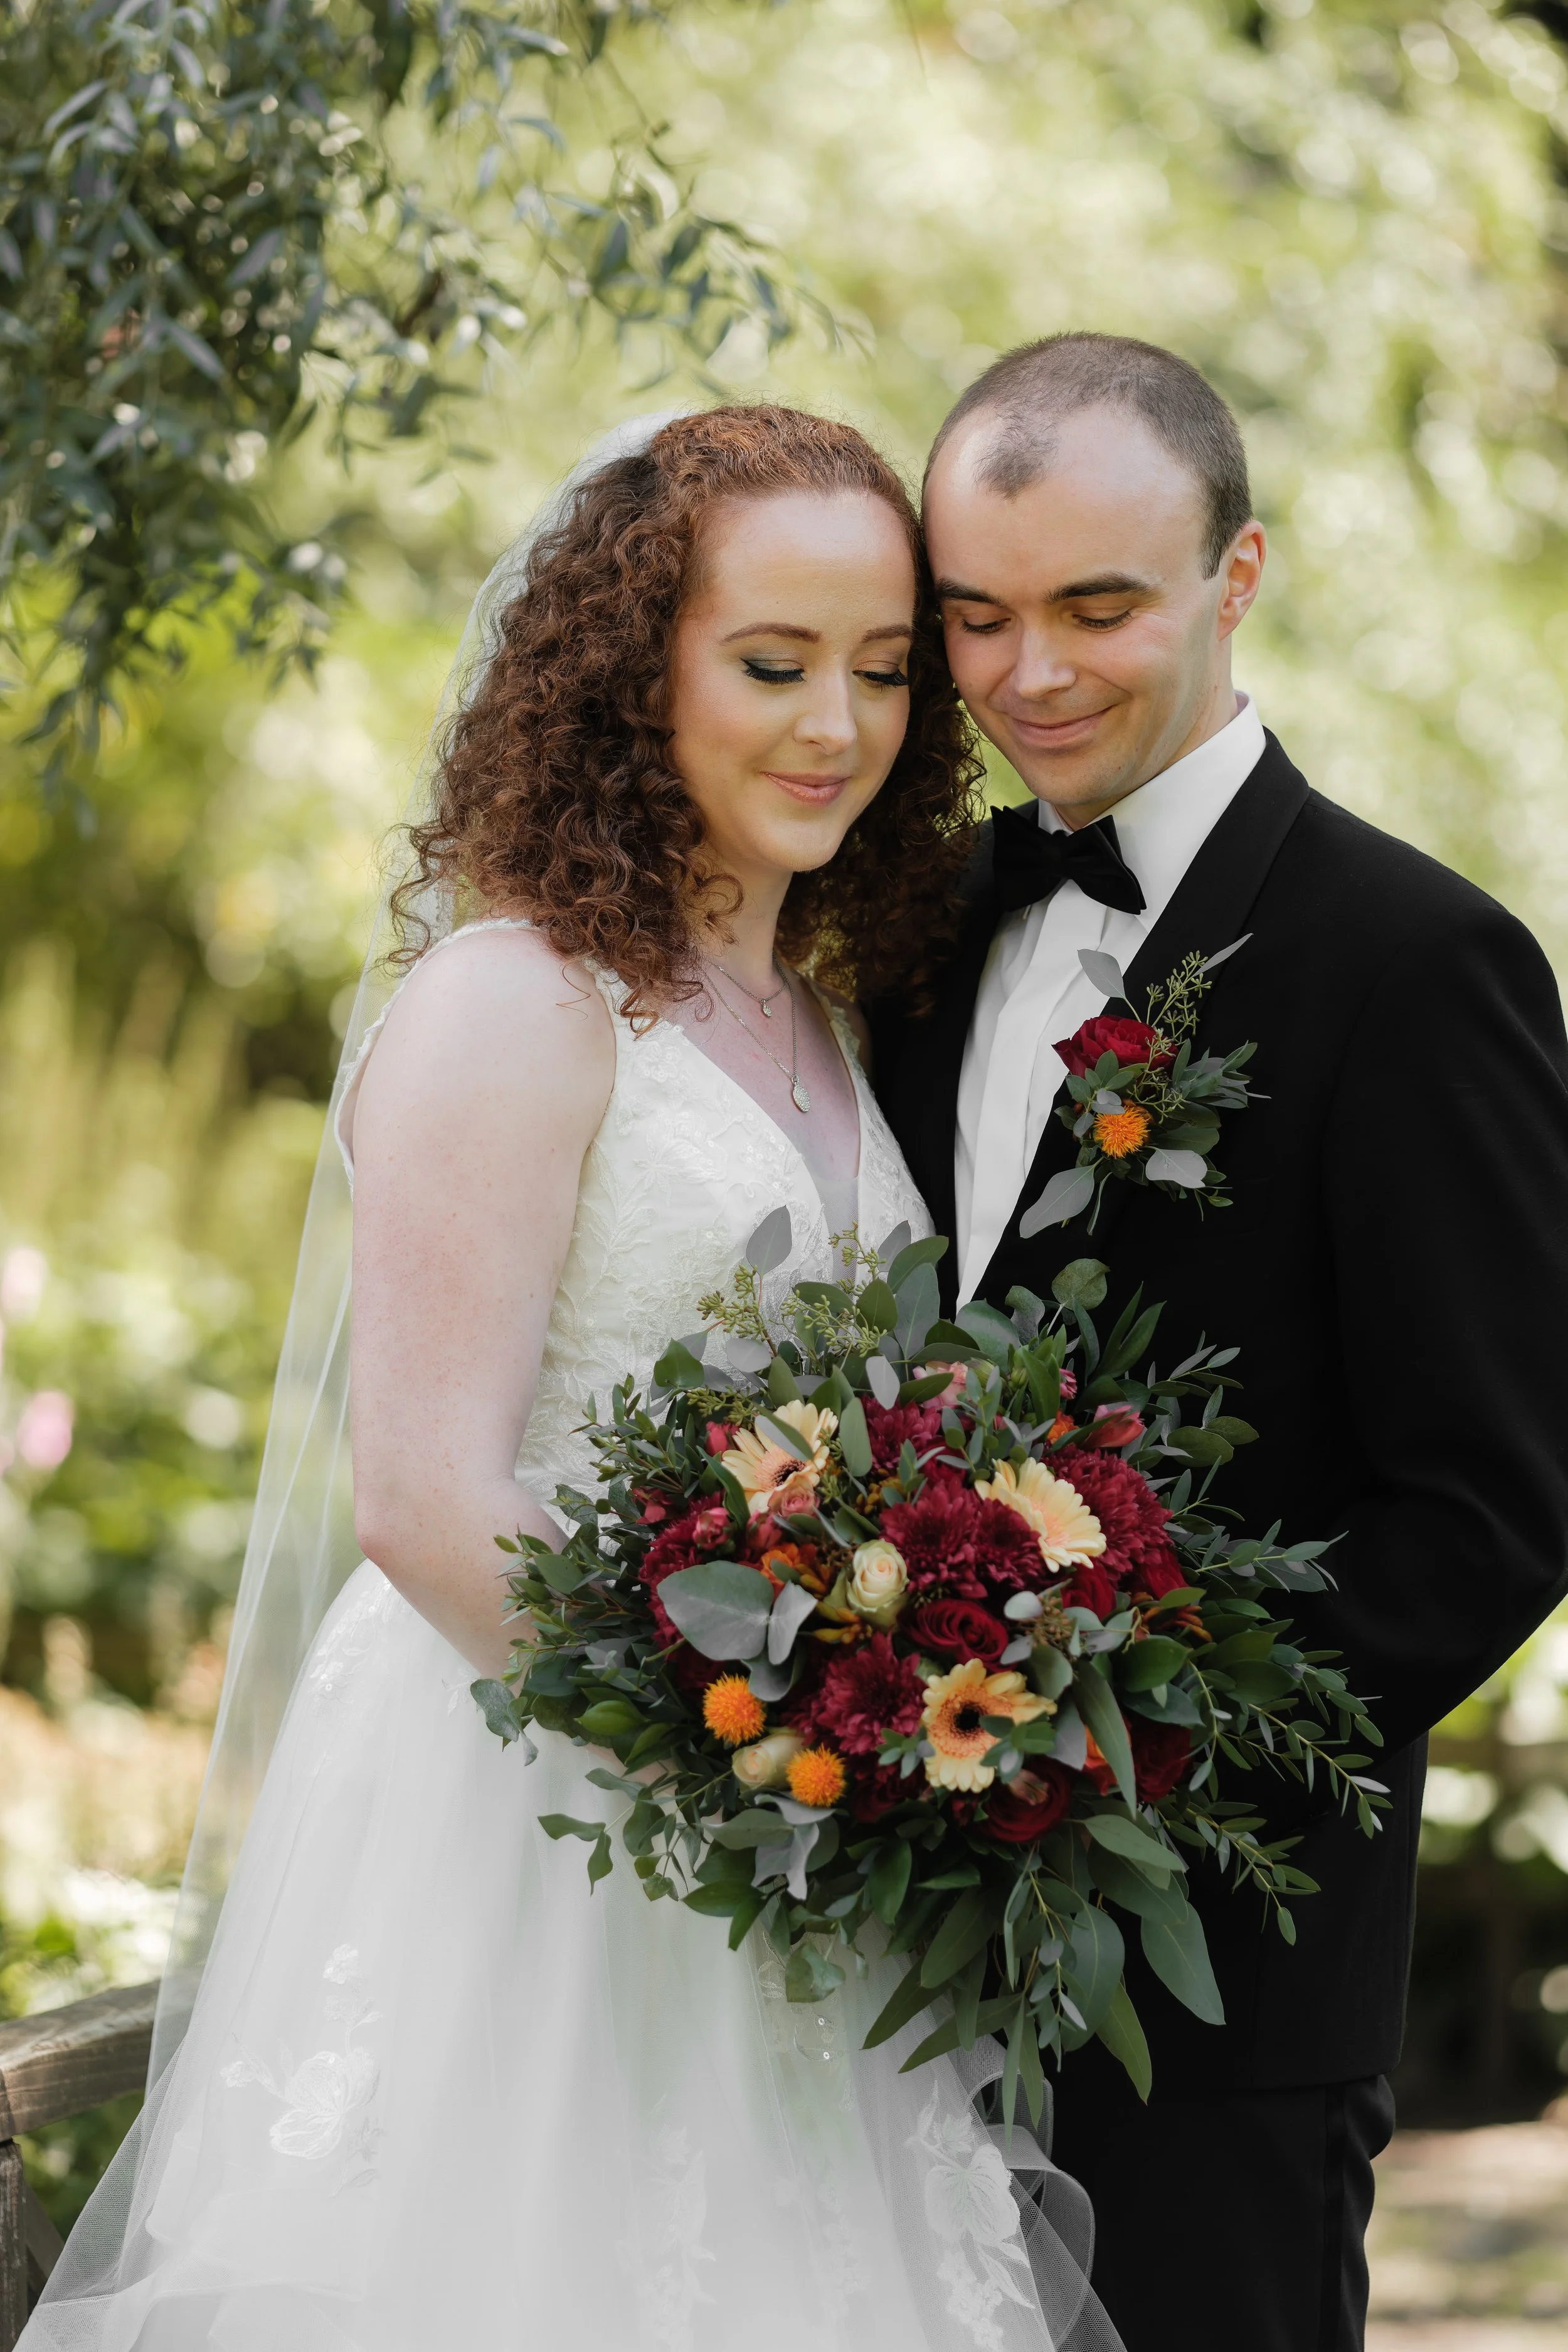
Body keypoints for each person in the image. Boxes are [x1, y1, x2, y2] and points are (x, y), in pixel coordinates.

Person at [22, 406, 1122, 2351]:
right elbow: (427, 1500)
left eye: (880, 672)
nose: (835, 725)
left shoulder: (816, 1006)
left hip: (778, 1833)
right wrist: (767, 1746)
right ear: (632, 673)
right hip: (541, 1823)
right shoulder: (515, 1000)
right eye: (770, 663)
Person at [870, 331, 1568, 2352]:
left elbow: (1499, 1500)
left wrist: (1118, 1760)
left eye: (1099, 605)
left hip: (1215, 1988)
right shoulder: (906, 933)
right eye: (976, 618)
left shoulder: (1413, 963)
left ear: (1233, 576)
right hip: (869, 1983)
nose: (1029, 675)